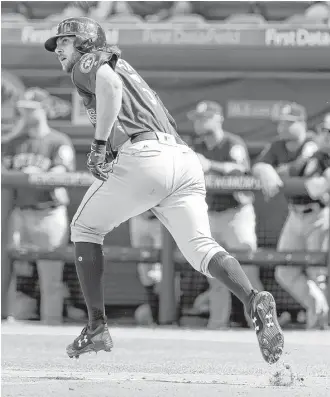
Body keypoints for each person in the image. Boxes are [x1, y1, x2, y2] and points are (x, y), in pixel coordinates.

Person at [44, 17, 284, 363]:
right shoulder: (131, 72)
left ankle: (96, 325)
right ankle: (252, 299)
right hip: (182, 159)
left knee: (84, 227)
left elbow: (109, 86)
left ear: (83, 42)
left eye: (63, 42)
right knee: (201, 248)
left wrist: (98, 146)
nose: (58, 50)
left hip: (147, 155)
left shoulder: (90, 60)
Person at [2, 87, 76, 325]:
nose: (24, 113)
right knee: (6, 270)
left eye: (30, 109)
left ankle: (51, 325)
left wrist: (39, 174)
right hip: (18, 213)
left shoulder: (58, 141)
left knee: (51, 276)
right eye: (22, 108)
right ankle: (7, 321)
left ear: (43, 109)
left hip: (49, 213)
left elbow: (63, 170)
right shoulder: (12, 142)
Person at [252, 103, 329, 329]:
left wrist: (276, 172)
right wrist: (263, 170)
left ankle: (320, 324)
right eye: (281, 122)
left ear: (302, 124)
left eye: (289, 122)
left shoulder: (315, 143)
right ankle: (317, 311)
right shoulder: (278, 145)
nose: (282, 127)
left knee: (319, 272)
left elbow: (300, 169)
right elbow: (258, 165)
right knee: (284, 271)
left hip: (319, 214)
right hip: (294, 215)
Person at [187, 101, 263, 329]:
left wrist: (210, 164)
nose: (199, 122)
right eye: (197, 118)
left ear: (218, 118)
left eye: (204, 117)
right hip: (211, 214)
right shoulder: (197, 146)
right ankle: (217, 327)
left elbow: (239, 169)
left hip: (236, 214)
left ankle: (261, 325)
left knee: (247, 272)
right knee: (215, 276)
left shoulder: (233, 143)